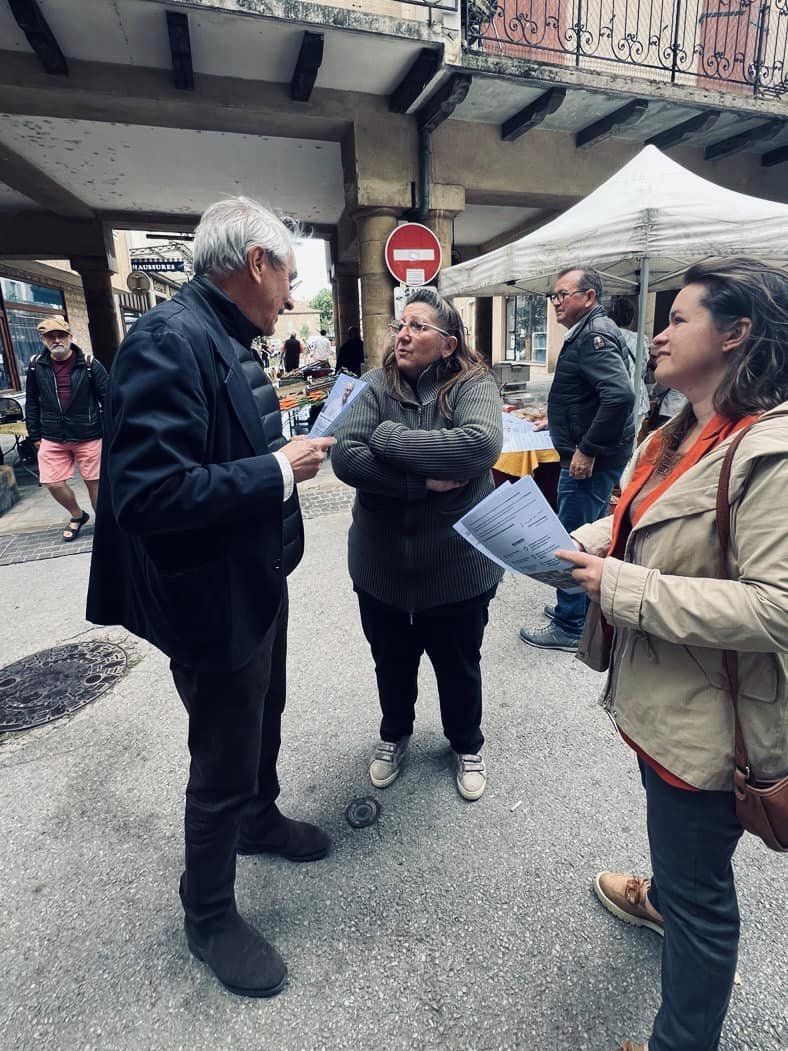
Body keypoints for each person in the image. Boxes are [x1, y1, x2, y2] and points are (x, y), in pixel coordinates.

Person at [86, 197, 335, 999]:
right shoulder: (169, 339)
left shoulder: (223, 331)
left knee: (266, 715)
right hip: (209, 595)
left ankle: (259, 819)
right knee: (222, 753)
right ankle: (208, 913)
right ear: (255, 262)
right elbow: (148, 493)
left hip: (254, 574)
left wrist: (277, 455)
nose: (290, 295)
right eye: (288, 276)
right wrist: (276, 470)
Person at [557, 258, 788, 1051]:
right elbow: (638, 523)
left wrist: (621, 588)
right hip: (665, 703)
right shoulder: (676, 430)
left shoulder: (771, 453)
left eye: (679, 318)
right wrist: (576, 542)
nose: (656, 332)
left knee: (704, 897)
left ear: (736, 334)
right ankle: (664, 893)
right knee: (681, 852)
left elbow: (779, 607)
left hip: (712, 728)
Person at [332, 287, 503, 801]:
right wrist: (419, 482)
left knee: (458, 664)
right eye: (400, 324)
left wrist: (386, 441)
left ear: (448, 343)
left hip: (457, 568)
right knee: (391, 662)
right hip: (381, 567)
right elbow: (345, 456)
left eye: (418, 326)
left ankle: (466, 743)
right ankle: (394, 734)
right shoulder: (372, 385)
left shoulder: (473, 384)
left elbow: (477, 447)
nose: (403, 334)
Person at [519, 266, 634, 652]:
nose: (555, 302)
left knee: (572, 536)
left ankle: (570, 624)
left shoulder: (594, 335)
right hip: (594, 452)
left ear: (588, 297)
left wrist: (586, 448)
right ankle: (578, 610)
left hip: (591, 460)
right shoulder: (587, 331)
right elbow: (588, 394)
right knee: (583, 529)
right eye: (553, 296)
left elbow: (619, 396)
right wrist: (558, 418)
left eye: (562, 295)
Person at [24, 316, 108, 542]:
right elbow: (31, 400)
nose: (57, 340)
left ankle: (104, 525)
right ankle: (77, 515)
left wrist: (110, 431)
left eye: (61, 335)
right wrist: (34, 435)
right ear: (43, 340)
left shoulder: (89, 363)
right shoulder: (35, 365)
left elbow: (108, 398)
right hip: (52, 435)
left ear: (70, 337)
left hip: (88, 433)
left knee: (95, 482)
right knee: (52, 482)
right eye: (51, 336)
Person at [608, 295, 650, 435]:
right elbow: (643, 369)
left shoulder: (605, 337)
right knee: (631, 442)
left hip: (613, 398)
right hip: (638, 398)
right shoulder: (641, 339)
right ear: (632, 319)